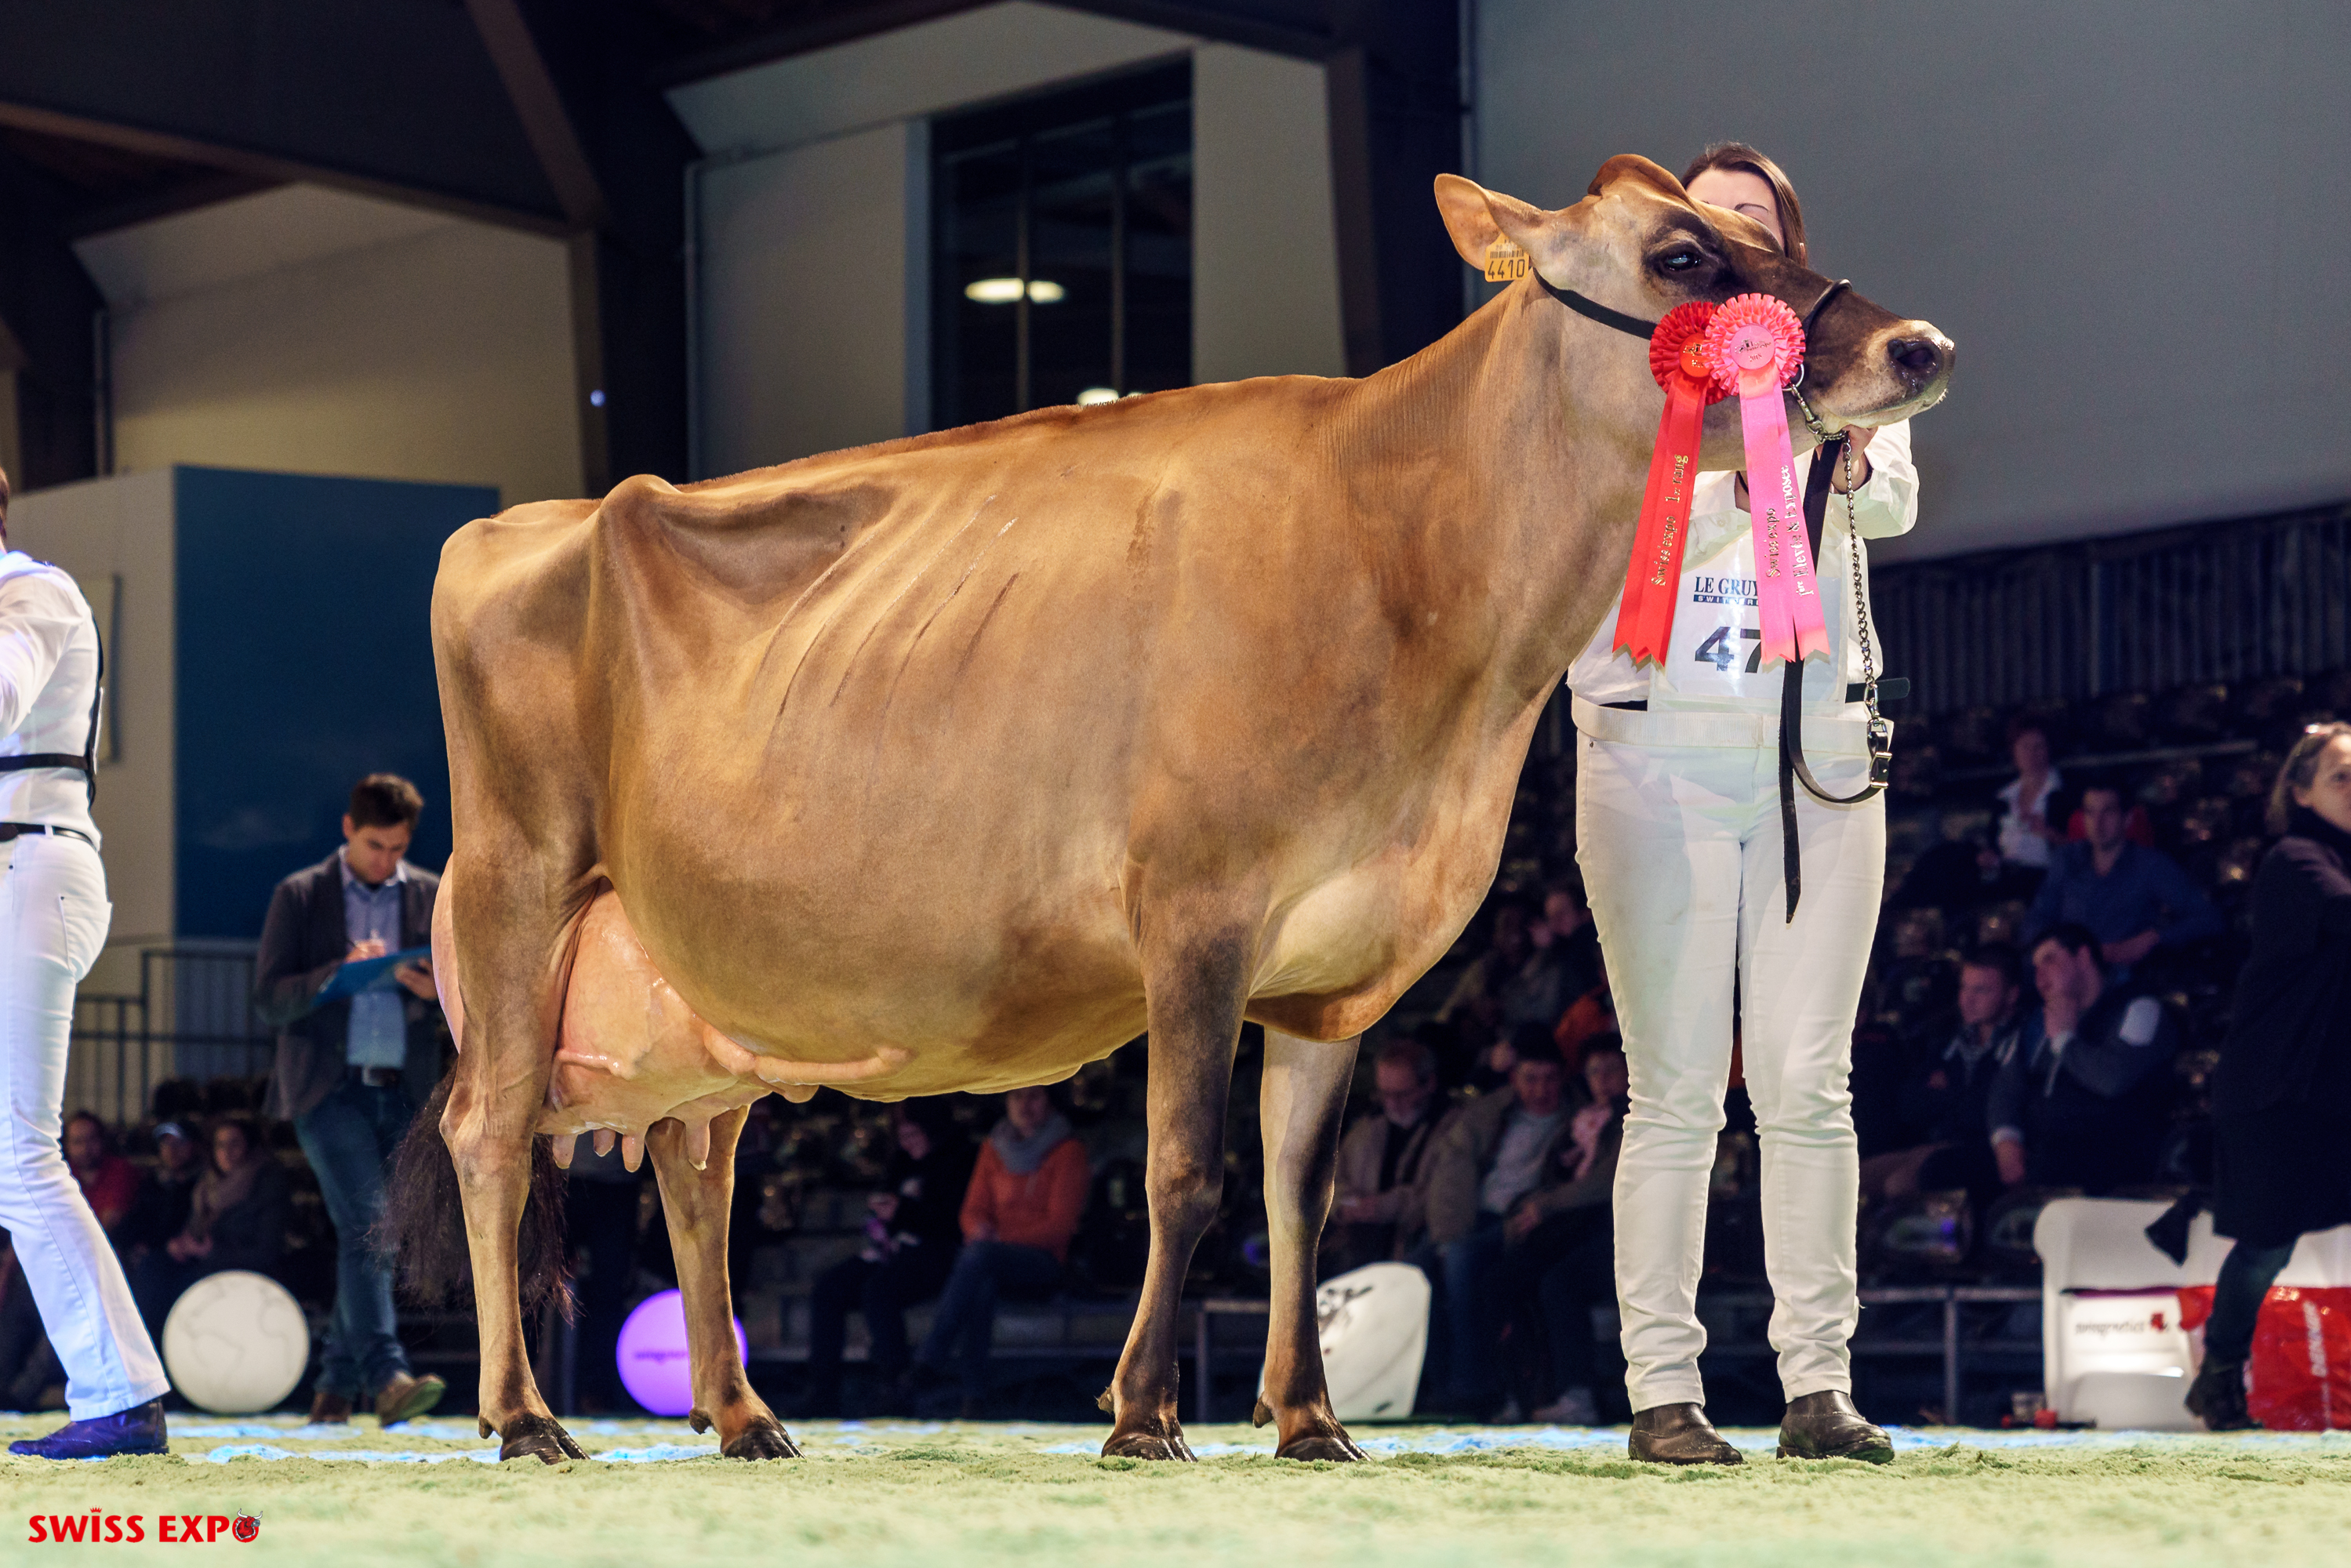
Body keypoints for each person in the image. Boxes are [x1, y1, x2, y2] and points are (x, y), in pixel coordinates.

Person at [1565, 143, 1911, 1465]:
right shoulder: (1610, 368)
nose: (1730, 237)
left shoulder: (1829, 363)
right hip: (1650, 761)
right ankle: (1663, 1395)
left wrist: (1835, 444)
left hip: (1815, 761)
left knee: (1807, 1085)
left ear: (1783, 246)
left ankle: (1817, 1389)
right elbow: (1591, 531)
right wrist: (1740, 448)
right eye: (1706, 221)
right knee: (1671, 1094)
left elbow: (1894, 502)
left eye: (1754, 222)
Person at [0, 464, 174, 1459]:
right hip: (20, 871)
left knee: (21, 1151)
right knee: (12, 1154)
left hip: (32, 868)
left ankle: (120, 1393)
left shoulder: (35, 590)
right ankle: (119, 1390)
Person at [253, 774, 447, 1426]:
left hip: (403, 1092)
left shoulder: (428, 894)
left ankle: (334, 1385)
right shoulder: (301, 895)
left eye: (397, 849)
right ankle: (387, 1377)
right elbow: (269, 998)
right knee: (372, 1227)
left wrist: (438, 994)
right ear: (347, 829)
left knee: (368, 1232)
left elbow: (464, 996)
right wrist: (337, 976)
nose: (385, 861)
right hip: (327, 1090)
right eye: (374, 846)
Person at [2187, 724, 2351, 1430]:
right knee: (2266, 1245)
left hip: (2333, 1088)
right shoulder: (2295, 859)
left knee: (2269, 1244)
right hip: (2277, 1089)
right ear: (2301, 792)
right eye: (2341, 776)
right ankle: (2220, 1373)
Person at [1418, 1034, 1575, 1417]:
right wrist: (1448, 1231)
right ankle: (1429, 1386)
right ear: (1515, 1080)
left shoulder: (1576, 1120)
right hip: (1475, 1216)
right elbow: (1452, 1175)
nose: (1540, 1090)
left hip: (1523, 1221)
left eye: (1549, 1079)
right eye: (1530, 1079)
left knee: (1461, 1262)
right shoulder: (1492, 1115)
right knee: (1417, 1268)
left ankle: (1471, 1387)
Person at [908, 1086, 1087, 1416]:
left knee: (980, 1259)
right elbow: (972, 1210)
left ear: (1050, 1102)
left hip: (1044, 1261)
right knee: (982, 1281)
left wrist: (997, 1239)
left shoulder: (1068, 1151)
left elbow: (1059, 1226)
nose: (1024, 1105)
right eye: (1017, 1096)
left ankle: (930, 1359)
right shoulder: (994, 1148)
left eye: (1034, 1096)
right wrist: (979, 1231)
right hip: (992, 1260)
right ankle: (974, 1397)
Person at [804, 1100, 973, 1417]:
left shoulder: (961, 1158)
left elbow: (953, 1222)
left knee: (880, 1290)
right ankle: (823, 1392)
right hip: (892, 1250)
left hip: (937, 1254)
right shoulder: (902, 1160)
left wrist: (903, 1212)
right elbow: (885, 1202)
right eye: (902, 1136)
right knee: (829, 1288)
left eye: (914, 1135)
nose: (908, 1143)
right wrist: (880, 1218)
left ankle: (896, 1387)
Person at [1986, 924, 2180, 1192]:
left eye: (2049, 960)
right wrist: (2006, 1142)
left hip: (2113, 1156)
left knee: (2053, 1165)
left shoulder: (2139, 1008)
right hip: (2043, 1153)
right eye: (2036, 968)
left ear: (2084, 957)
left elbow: (2112, 1079)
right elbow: (2005, 1089)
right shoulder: (2037, 1022)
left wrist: (2065, 1041)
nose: (2040, 978)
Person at [1505, 1040, 1630, 1425]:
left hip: (1613, 1230)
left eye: (1612, 1069)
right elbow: (1553, 1174)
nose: (1602, 1080)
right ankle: (1523, 1392)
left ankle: (1577, 1393)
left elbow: (1607, 1182)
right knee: (1508, 1275)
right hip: (1575, 1228)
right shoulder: (1582, 1120)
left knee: (1560, 1283)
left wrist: (1545, 1206)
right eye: (1594, 1072)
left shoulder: (1632, 1117)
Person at [1862, 945, 2026, 1207]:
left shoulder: (2021, 1041)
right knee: (1854, 1177)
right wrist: (1962, 1097)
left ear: (2011, 995)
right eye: (1964, 988)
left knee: (1900, 1184)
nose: (1967, 1000)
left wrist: (1946, 1094)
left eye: (1981, 990)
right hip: (1936, 1143)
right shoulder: (1949, 1037)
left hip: (1985, 1150)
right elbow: (1909, 1104)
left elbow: (1989, 1111)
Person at [2021, 782, 2222, 975]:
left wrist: (2153, 939)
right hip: (2068, 971)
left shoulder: (2150, 865)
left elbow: (2208, 918)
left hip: (2124, 976)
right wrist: (2058, 951)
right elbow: (2037, 918)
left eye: (2108, 812)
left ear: (2127, 818)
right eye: (2090, 813)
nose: (2097, 823)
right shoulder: (2067, 859)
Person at [129, 1117, 292, 1338]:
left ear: (250, 1147)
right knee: (152, 1267)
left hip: (236, 1268)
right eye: (220, 1145)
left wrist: (211, 1252)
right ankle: (147, 1345)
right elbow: (192, 1228)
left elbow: (266, 1251)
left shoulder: (266, 1185)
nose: (227, 1152)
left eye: (235, 1144)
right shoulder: (208, 1184)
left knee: (180, 1286)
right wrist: (182, 1244)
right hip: (202, 1260)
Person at [1330, 1038, 1452, 1270]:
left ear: (1429, 1084)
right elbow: (1331, 1181)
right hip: (1359, 1248)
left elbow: (1444, 1194)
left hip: (1416, 1248)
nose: (1392, 1104)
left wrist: (1384, 1207)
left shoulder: (1452, 1130)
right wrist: (1343, 1206)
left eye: (1402, 1095)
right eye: (1384, 1094)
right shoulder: (1367, 1129)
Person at [121, 1121, 205, 1262]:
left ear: (194, 1146)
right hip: (152, 1254)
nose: (171, 1150)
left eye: (179, 1143)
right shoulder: (154, 1182)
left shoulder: (203, 1184)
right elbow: (137, 1219)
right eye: (165, 1143)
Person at [1996, 720, 2062, 874]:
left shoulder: (2066, 794)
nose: (2031, 754)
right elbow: (1994, 845)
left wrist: (2048, 833)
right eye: (2025, 747)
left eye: (2038, 747)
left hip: (2051, 878)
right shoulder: (2003, 797)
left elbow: (2083, 849)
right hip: (2009, 879)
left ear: (2049, 749)